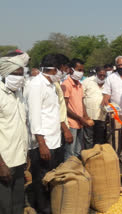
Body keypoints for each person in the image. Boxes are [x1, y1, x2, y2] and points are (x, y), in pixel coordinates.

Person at [26, 54, 63, 213]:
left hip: (54, 140)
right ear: (54, 69)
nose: (64, 73)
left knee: (49, 178)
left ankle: (48, 205)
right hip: (43, 143)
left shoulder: (51, 85)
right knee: (40, 180)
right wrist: (41, 144)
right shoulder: (36, 85)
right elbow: (34, 116)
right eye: (62, 70)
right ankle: (42, 209)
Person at [0, 54, 28, 214]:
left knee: (18, 203)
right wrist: (1, 165)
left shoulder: (19, 94)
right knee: (4, 206)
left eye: (20, 74)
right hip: (4, 161)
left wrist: (26, 155)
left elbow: (21, 126)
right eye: (14, 74)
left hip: (19, 159)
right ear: (4, 74)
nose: (18, 78)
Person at [102, 56, 122, 163]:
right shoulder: (110, 78)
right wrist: (106, 102)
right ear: (116, 66)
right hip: (115, 113)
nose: (121, 67)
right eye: (119, 65)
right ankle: (115, 157)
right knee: (115, 136)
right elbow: (106, 94)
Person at [61, 58, 93, 161]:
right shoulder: (66, 84)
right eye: (79, 70)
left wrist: (86, 116)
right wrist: (80, 118)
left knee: (78, 150)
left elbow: (81, 102)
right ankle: (68, 174)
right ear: (71, 70)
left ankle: (76, 172)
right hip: (71, 123)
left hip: (80, 123)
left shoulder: (80, 84)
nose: (81, 73)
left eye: (82, 70)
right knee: (70, 152)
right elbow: (64, 107)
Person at [83, 67, 108, 148]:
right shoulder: (87, 81)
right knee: (88, 138)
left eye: (104, 75)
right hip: (89, 115)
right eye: (100, 75)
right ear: (96, 73)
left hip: (101, 116)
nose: (102, 77)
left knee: (99, 139)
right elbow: (81, 97)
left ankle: (97, 156)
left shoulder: (107, 83)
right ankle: (89, 156)